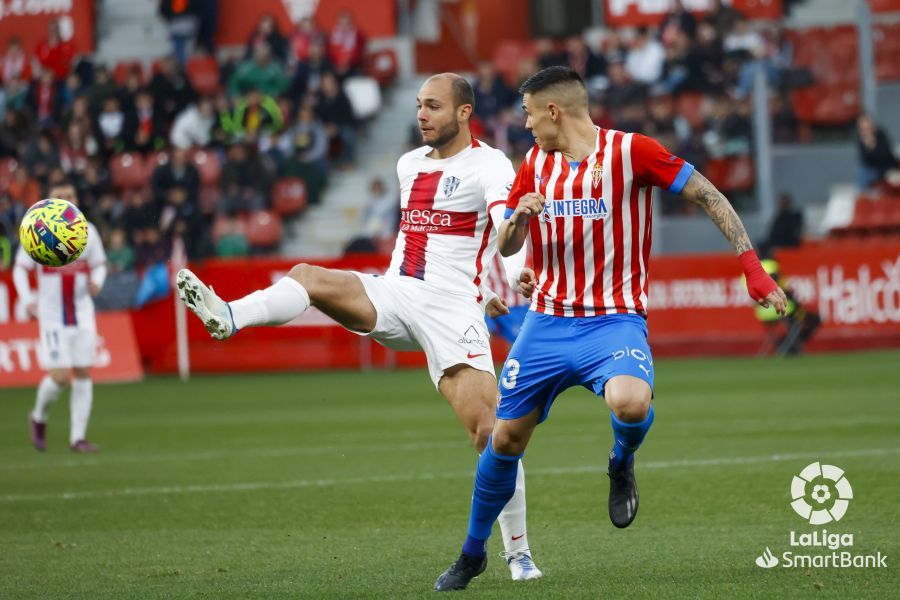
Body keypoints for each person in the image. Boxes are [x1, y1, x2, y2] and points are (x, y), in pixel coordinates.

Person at [176, 73, 545, 582]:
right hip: (393, 293)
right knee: (308, 276)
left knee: (492, 432)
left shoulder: (491, 165)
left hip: (451, 311)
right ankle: (229, 316)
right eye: (418, 105)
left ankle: (518, 553)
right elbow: (432, 244)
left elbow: (503, 232)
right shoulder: (408, 164)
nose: (421, 114)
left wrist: (506, 270)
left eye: (433, 106)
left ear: (464, 113)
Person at [433, 66, 787, 591]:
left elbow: (709, 195)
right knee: (503, 441)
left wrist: (752, 267)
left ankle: (620, 462)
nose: (525, 124)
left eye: (529, 113)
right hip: (547, 322)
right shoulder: (533, 164)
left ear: (553, 111)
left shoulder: (632, 152)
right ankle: (472, 553)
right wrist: (520, 220)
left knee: (631, 403)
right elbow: (506, 245)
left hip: (613, 320)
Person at [13, 180, 108, 452]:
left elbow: (99, 264)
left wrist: (98, 282)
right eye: (60, 196)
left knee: (83, 372)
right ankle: (38, 416)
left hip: (82, 312)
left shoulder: (88, 231)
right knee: (58, 377)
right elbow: (20, 268)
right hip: (53, 315)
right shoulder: (36, 230)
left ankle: (77, 438)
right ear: (49, 200)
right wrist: (28, 299)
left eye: (70, 194)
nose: (67, 198)